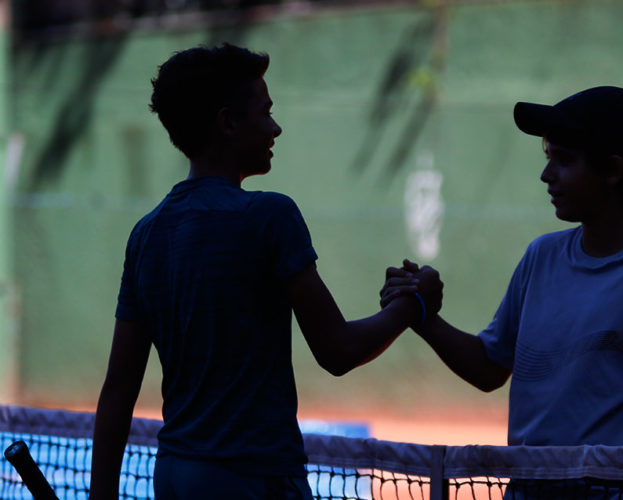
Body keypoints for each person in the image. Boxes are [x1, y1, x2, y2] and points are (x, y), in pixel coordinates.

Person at [89, 44, 441, 500]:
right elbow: (337, 351)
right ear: (227, 123)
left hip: (175, 476)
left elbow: (118, 388)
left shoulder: (145, 235)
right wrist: (412, 305)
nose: (276, 128)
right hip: (254, 480)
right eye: (266, 112)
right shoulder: (270, 216)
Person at [383, 86, 623, 497]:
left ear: (613, 170)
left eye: (564, 160)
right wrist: (422, 316)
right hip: (528, 488)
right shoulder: (540, 257)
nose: (546, 175)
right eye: (548, 158)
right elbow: (489, 368)